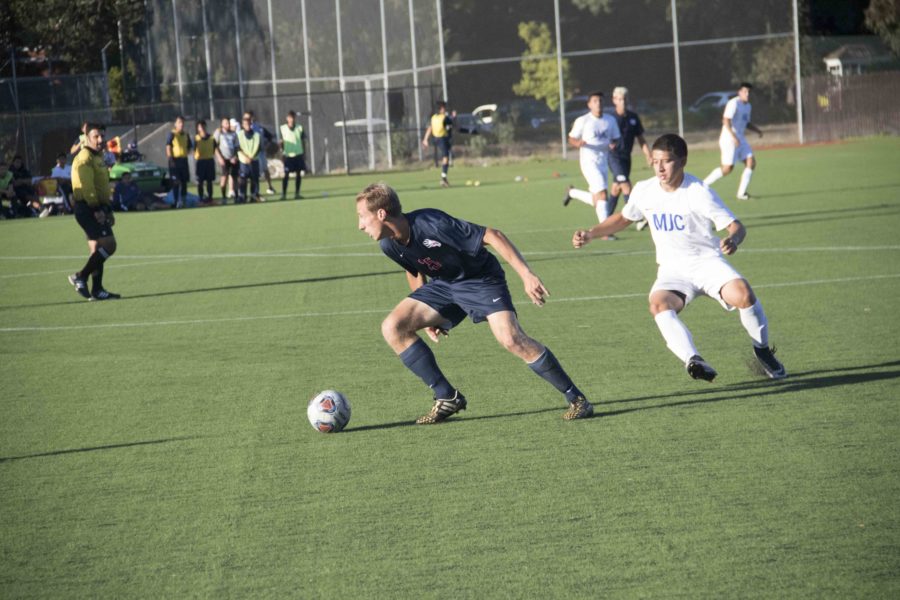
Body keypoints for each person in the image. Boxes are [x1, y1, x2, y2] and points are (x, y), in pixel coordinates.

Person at [356, 182, 594, 423]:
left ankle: (577, 399)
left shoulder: (432, 223)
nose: (360, 225)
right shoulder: (388, 244)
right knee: (393, 327)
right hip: (444, 285)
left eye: (362, 217)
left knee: (511, 339)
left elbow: (493, 235)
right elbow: (414, 269)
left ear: (381, 214)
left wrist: (526, 275)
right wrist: (427, 312)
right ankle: (446, 396)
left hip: (481, 280)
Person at [572, 133, 786, 381]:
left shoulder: (699, 191)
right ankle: (692, 359)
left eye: (667, 161)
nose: (659, 168)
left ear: (682, 161)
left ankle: (762, 351)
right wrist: (591, 233)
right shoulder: (644, 190)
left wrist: (733, 240)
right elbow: (623, 218)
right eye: (655, 161)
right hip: (673, 271)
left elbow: (737, 226)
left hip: (707, 264)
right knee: (658, 305)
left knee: (744, 295)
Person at [68, 123, 120, 301]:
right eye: (96, 136)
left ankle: (97, 290)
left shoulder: (98, 156)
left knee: (97, 249)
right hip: (88, 207)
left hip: (96, 206)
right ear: (87, 137)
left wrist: (108, 209)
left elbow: (101, 186)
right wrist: (97, 209)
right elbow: (88, 186)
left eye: (102, 136)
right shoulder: (85, 157)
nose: (100, 140)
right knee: (109, 245)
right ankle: (80, 276)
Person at [562, 91, 621, 239]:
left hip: (603, 161)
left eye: (600, 101)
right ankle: (605, 232)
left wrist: (614, 144)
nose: (598, 103)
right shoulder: (583, 120)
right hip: (589, 162)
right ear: (589, 104)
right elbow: (571, 138)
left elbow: (616, 139)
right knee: (602, 194)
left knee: (598, 199)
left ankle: (572, 193)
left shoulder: (610, 120)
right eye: (595, 101)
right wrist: (578, 143)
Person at [703, 82, 763, 200]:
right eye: (745, 92)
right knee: (727, 168)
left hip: (740, 138)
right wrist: (733, 137)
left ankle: (741, 194)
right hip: (729, 139)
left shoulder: (748, 106)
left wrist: (757, 131)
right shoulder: (733, 103)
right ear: (739, 92)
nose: (747, 94)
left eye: (749, 92)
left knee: (751, 162)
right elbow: (726, 121)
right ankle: (702, 185)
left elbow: (746, 123)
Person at [608, 86, 653, 230]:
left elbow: (641, 139)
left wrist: (648, 154)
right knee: (626, 186)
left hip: (626, 158)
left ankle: (605, 221)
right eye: (619, 99)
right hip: (614, 158)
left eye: (625, 99)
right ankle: (637, 219)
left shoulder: (633, 118)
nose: (623, 102)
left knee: (616, 189)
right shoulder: (611, 119)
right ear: (614, 100)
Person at [421, 100, 453, 187]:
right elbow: (451, 123)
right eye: (444, 107)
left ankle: (444, 177)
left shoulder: (434, 117)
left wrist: (425, 139)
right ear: (441, 109)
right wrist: (454, 117)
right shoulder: (444, 117)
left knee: (446, 157)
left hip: (437, 139)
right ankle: (443, 178)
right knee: (446, 157)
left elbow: (430, 128)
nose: (445, 109)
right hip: (442, 139)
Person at [165, 115, 193, 208]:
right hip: (174, 161)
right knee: (176, 181)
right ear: (175, 124)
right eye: (179, 122)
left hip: (183, 160)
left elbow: (189, 147)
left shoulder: (186, 134)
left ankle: (184, 201)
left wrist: (185, 154)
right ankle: (176, 201)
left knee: (184, 181)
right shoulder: (172, 134)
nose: (181, 124)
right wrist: (170, 158)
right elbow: (168, 146)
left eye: (182, 122)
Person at [279, 110, 307, 200]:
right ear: (287, 118)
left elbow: (303, 142)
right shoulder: (283, 128)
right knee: (286, 175)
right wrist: (282, 153)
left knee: (298, 174)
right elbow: (281, 142)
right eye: (290, 118)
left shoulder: (300, 128)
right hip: (288, 156)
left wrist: (304, 153)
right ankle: (283, 194)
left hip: (298, 154)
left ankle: (297, 193)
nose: (291, 119)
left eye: (293, 117)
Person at [247, 110, 276, 195]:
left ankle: (269, 187)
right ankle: (255, 191)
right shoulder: (245, 128)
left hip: (260, 153)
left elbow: (270, 137)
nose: (250, 119)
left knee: (265, 170)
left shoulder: (259, 127)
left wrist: (266, 146)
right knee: (253, 173)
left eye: (251, 117)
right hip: (250, 154)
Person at [236, 113, 262, 203]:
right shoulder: (239, 135)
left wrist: (251, 157)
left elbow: (259, 148)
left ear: (251, 124)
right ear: (242, 125)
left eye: (249, 124)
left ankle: (254, 196)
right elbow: (238, 148)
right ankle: (242, 196)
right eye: (245, 124)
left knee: (254, 179)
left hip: (254, 160)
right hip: (244, 161)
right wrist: (246, 157)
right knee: (243, 179)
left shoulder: (257, 135)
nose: (247, 126)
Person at [214, 117, 239, 202]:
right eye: (226, 123)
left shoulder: (233, 134)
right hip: (224, 159)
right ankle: (224, 196)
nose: (227, 125)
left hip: (232, 159)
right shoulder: (218, 133)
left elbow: (236, 147)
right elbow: (215, 147)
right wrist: (220, 158)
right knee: (224, 177)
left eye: (228, 123)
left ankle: (236, 196)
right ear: (222, 124)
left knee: (234, 177)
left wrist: (235, 157)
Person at [194, 120, 216, 204]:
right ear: (198, 128)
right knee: (200, 181)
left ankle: (210, 198)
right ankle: (201, 198)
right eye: (200, 127)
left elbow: (214, 148)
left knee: (209, 181)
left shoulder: (211, 138)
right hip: (200, 161)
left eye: (203, 126)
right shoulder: (196, 139)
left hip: (209, 161)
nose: (202, 128)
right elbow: (193, 149)